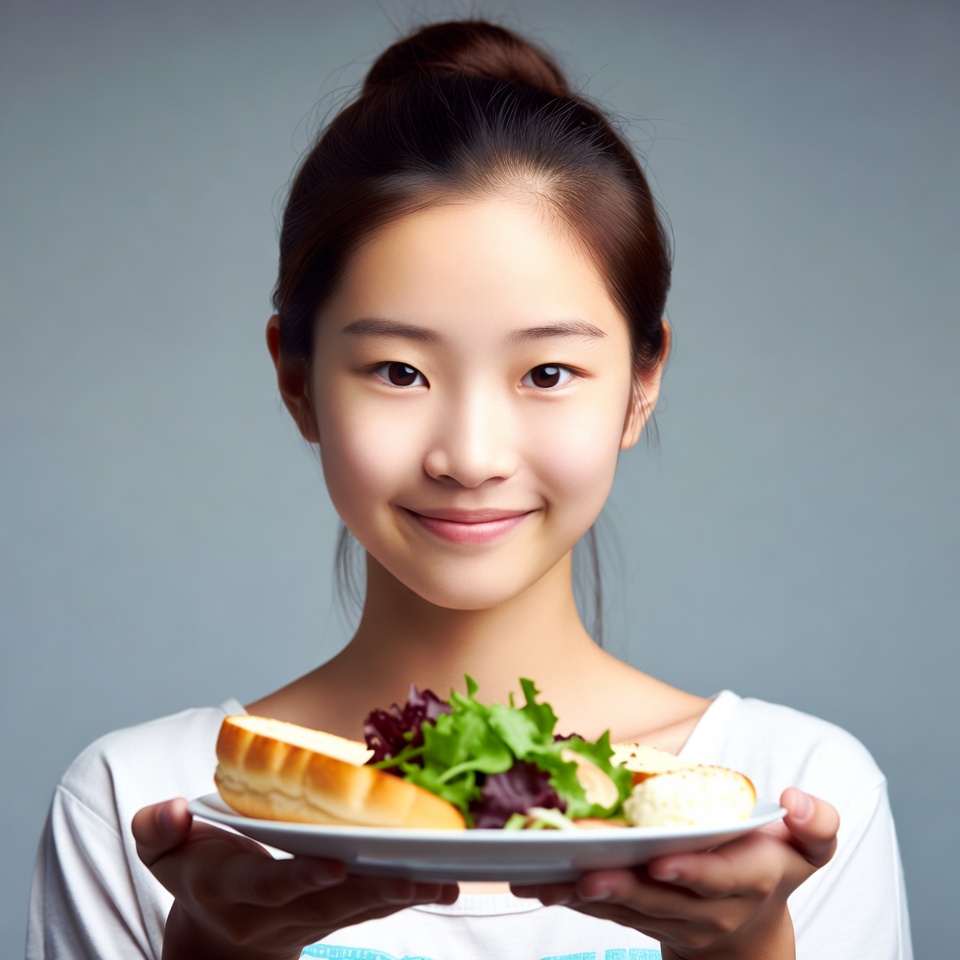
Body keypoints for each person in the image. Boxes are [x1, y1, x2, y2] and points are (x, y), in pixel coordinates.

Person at [27, 18, 912, 960]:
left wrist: (750, 948)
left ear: (642, 384)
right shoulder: (152, 810)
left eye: (546, 374)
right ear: (297, 379)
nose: (471, 455)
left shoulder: (787, 797)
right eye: (400, 372)